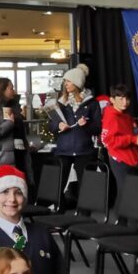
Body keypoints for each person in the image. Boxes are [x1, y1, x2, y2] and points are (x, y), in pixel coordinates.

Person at [47, 63, 100, 198]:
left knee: (86, 185)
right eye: (65, 81)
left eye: (69, 81)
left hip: (84, 151)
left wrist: (86, 125)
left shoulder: (92, 103)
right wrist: (58, 125)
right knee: (58, 184)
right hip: (63, 150)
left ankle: (84, 212)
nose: (66, 84)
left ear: (77, 83)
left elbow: (98, 128)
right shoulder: (60, 103)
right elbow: (51, 125)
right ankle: (58, 209)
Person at [100, 84, 138, 191]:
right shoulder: (111, 116)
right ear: (112, 100)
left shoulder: (127, 116)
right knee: (126, 193)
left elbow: (131, 134)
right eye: (121, 98)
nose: (125, 102)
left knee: (131, 192)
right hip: (120, 159)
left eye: (127, 98)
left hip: (131, 158)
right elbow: (109, 141)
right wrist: (133, 139)